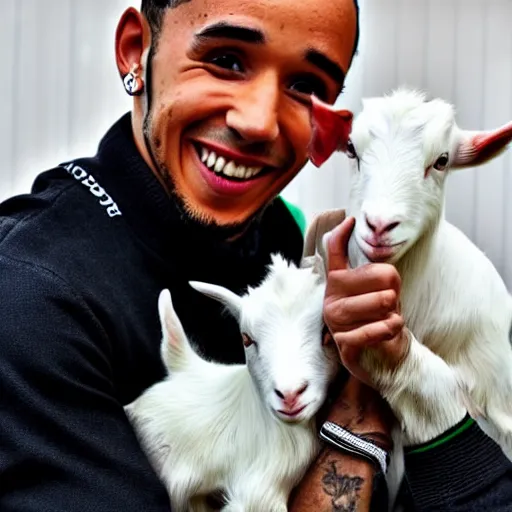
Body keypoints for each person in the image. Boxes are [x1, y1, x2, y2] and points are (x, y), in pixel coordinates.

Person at [0, 0, 510, 511]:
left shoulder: (292, 239)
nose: (260, 122)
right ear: (137, 51)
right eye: (226, 60)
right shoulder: (27, 294)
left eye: (305, 86)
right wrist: (366, 408)